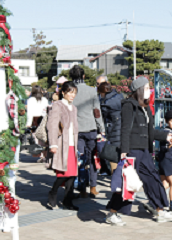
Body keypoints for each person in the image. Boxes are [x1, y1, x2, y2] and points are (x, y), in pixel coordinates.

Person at [106, 77, 172, 225]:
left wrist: (166, 136)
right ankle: (112, 213)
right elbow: (125, 129)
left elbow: (150, 131)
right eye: (146, 88)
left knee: (152, 179)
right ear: (138, 90)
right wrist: (124, 150)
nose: (149, 91)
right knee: (127, 183)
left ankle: (160, 210)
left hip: (144, 150)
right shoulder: (129, 105)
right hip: (132, 151)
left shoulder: (145, 107)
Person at [70, 65, 105, 198]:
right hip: (91, 129)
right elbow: (97, 111)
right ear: (84, 76)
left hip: (76, 130)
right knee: (92, 159)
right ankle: (94, 187)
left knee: (80, 159)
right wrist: (101, 128)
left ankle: (82, 188)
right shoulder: (91, 91)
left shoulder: (69, 90)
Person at [46, 81, 79, 211]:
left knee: (72, 174)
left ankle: (67, 201)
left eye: (74, 93)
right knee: (63, 173)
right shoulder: (58, 105)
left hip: (73, 144)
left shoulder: (74, 108)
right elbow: (52, 125)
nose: (73, 95)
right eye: (70, 92)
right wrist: (53, 144)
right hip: (61, 144)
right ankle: (53, 193)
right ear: (63, 93)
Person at [98, 81, 123, 172]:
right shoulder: (120, 96)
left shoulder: (105, 103)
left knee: (113, 157)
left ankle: (115, 181)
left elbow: (101, 116)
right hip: (123, 129)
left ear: (102, 92)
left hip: (113, 131)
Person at [26, 85, 50, 162]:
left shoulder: (31, 100)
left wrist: (28, 123)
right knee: (43, 137)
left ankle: (40, 155)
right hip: (43, 119)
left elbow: (29, 113)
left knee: (36, 137)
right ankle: (44, 155)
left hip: (34, 119)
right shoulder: (45, 99)